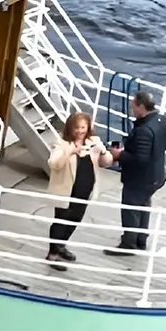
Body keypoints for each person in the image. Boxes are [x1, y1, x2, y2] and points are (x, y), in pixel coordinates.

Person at [107, 91, 166, 254]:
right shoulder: (163, 121)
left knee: (131, 208)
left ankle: (128, 244)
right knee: (144, 206)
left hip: (140, 178)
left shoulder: (144, 130)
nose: (132, 110)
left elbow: (140, 159)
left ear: (141, 107)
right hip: (155, 175)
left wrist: (119, 155)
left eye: (133, 107)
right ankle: (140, 240)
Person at [44, 112, 112, 269]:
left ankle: (61, 246)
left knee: (75, 219)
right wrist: (70, 152)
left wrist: (103, 152)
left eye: (83, 127)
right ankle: (52, 254)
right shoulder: (62, 143)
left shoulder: (93, 141)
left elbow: (106, 162)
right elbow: (53, 163)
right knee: (61, 221)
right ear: (70, 128)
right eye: (77, 128)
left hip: (85, 189)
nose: (80, 131)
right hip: (66, 190)